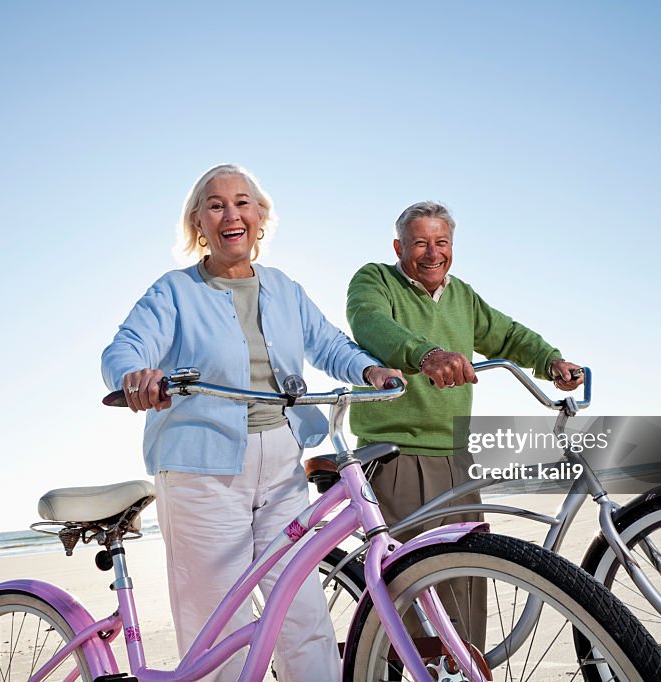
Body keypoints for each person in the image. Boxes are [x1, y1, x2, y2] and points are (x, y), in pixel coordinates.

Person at [102, 163, 402, 682]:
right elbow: (126, 346)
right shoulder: (173, 291)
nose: (230, 214)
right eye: (215, 205)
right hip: (202, 470)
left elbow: (329, 344)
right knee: (217, 625)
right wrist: (135, 375)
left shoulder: (284, 289)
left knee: (302, 613)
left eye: (242, 202)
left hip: (283, 462)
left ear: (260, 217)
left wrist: (367, 368)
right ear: (198, 223)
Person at [345, 200, 583, 643]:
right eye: (420, 243)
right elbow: (371, 324)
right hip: (396, 454)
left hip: (457, 455)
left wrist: (550, 362)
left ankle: (465, 669)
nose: (432, 253)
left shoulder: (462, 296)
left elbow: (507, 334)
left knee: (468, 577)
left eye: (442, 243)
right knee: (413, 584)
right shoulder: (374, 279)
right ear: (399, 246)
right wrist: (427, 355)